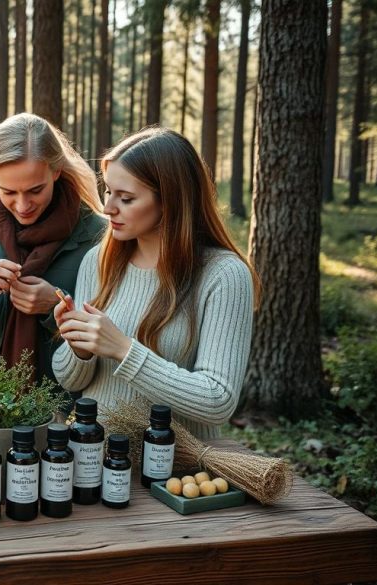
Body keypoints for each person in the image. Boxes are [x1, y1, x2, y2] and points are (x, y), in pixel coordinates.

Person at [52, 127, 259, 440]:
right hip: (92, 459)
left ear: (171, 201)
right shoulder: (98, 260)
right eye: (108, 191)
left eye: (127, 198)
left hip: (174, 471)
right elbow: (71, 380)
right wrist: (79, 349)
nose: (108, 209)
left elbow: (218, 400)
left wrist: (123, 349)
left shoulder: (223, 275)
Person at [0, 113, 107, 411]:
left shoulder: (98, 236)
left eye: (35, 190)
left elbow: (114, 336)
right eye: (8, 191)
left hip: (58, 417)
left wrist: (56, 306)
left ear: (56, 172)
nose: (23, 206)